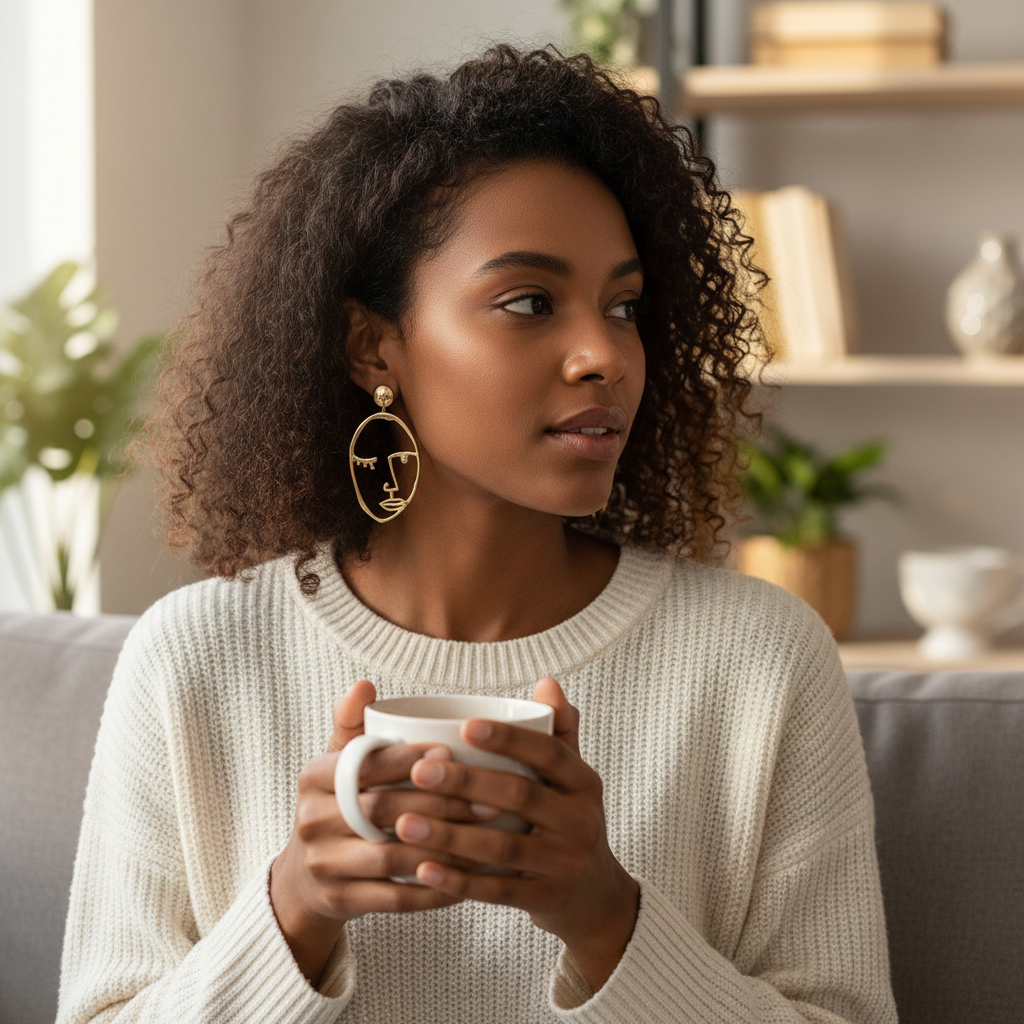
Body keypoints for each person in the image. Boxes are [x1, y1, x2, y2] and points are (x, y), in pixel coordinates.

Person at [57, 45, 897, 1024]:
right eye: (529, 302)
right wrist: (294, 910)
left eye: (623, 307)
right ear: (376, 346)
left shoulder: (760, 659)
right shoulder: (194, 657)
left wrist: (606, 918)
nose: (603, 354)